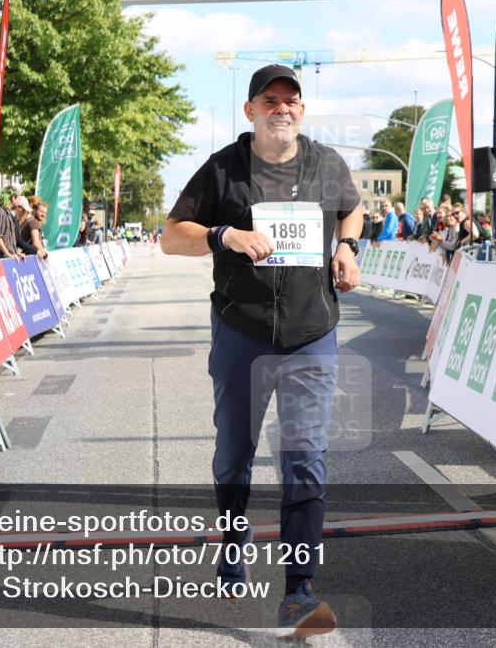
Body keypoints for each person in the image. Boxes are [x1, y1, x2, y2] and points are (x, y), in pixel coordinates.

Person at [160, 64, 361, 637]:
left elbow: (352, 207)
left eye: (291, 100)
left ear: (302, 109)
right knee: (234, 455)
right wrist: (223, 235)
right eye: (269, 100)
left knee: (304, 458)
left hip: (311, 334)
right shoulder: (223, 168)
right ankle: (233, 539)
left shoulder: (326, 163)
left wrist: (346, 246)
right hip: (242, 332)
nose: (282, 108)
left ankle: (299, 591)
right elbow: (171, 236)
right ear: (250, 110)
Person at [0, 189, 25, 260]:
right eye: (18, 197)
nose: (20, 199)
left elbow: (7, 240)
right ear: (13, 198)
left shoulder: (7, 212)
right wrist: (8, 254)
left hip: (7, 258)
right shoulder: (0, 212)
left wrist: (15, 253)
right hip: (2, 259)